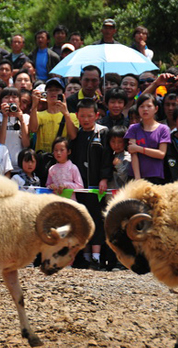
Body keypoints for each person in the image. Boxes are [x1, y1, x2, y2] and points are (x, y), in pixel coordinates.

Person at [68, 98, 112, 270]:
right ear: (77, 116)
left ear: (97, 115)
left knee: (97, 218)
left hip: (96, 185)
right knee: (82, 218)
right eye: (82, 116)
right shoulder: (75, 135)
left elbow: (106, 157)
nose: (86, 119)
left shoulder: (103, 133)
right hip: (80, 186)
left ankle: (96, 257)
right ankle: (84, 256)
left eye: (89, 116)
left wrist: (104, 178)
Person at [125, 93, 171, 183]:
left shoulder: (163, 129)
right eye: (141, 106)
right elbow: (133, 153)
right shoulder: (133, 128)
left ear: (156, 109)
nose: (145, 109)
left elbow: (161, 154)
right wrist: (137, 178)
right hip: (135, 176)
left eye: (149, 106)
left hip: (156, 175)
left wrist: (139, 148)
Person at [29, 78, 78, 153]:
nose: (53, 93)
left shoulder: (71, 116)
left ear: (63, 94)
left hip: (62, 160)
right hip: (42, 159)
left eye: (57, 90)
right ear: (45, 93)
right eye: (50, 90)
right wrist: (34, 105)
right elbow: (33, 129)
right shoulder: (38, 114)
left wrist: (66, 114)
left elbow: (73, 136)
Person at [0, 87, 31, 173]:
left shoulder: (26, 118)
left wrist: (21, 120)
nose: (10, 100)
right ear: (1, 101)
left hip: (19, 166)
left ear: (19, 101)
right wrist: (5, 117)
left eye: (14, 97)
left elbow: (26, 144)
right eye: (6, 97)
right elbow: (0, 142)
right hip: (1, 165)